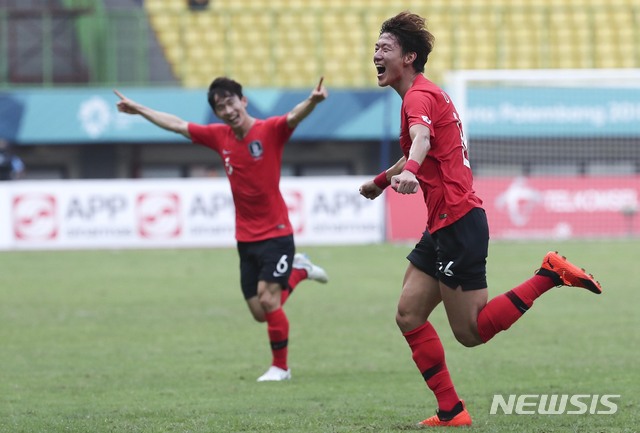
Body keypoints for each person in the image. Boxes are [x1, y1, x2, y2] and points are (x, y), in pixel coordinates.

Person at [359, 11, 602, 427]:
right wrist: (383, 181)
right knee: (408, 315)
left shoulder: (418, 98)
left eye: (385, 48)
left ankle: (549, 274)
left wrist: (410, 175)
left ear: (409, 56)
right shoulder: (424, 95)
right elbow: (421, 145)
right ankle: (452, 411)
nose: (375, 55)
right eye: (375, 48)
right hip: (442, 223)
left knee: (470, 332)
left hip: (458, 223)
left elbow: (422, 141)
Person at [114, 77, 330, 382]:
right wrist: (138, 109)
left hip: (277, 233)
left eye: (231, 102)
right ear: (217, 113)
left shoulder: (269, 130)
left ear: (243, 101)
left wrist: (313, 101)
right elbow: (176, 124)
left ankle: (281, 368)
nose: (227, 110)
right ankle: (301, 270)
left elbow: (293, 116)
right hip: (245, 238)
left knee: (269, 301)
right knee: (260, 312)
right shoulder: (219, 136)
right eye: (220, 107)